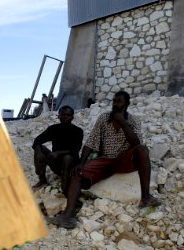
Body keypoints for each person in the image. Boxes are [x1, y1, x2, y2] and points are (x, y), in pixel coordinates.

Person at [48, 91, 161, 229]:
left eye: (119, 101)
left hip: (124, 160)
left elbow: (136, 143)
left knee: (143, 150)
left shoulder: (134, 120)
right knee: (77, 172)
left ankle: (146, 197)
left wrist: (122, 122)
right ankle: (68, 215)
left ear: (126, 104)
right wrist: (81, 163)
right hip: (105, 160)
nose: (115, 104)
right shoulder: (104, 118)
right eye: (114, 101)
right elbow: (91, 142)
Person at [31, 105, 83, 195]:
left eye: (68, 115)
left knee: (67, 158)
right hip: (56, 163)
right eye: (63, 114)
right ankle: (42, 179)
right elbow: (37, 141)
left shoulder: (77, 131)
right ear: (58, 116)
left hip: (70, 166)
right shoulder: (53, 129)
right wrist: (38, 152)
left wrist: (58, 153)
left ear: (72, 117)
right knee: (39, 148)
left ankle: (65, 188)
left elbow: (75, 150)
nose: (65, 117)